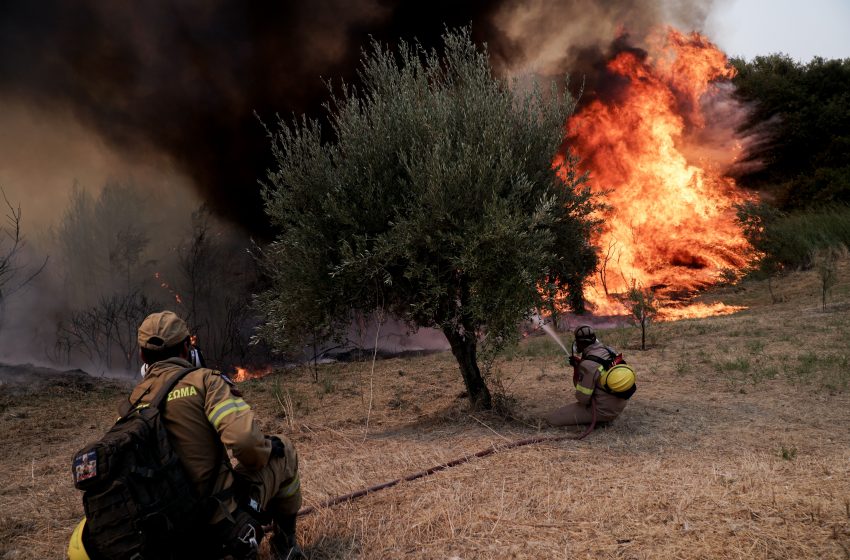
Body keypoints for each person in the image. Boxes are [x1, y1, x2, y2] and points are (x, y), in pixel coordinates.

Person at [70, 310, 305, 560]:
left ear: (141, 355)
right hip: (216, 533)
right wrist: (264, 453)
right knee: (285, 449)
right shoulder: (205, 382)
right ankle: (285, 545)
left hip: (165, 541)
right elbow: (246, 444)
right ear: (187, 348)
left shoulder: (130, 406)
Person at [544, 325, 630, 426]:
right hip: (619, 404)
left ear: (579, 343)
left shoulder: (588, 365)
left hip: (603, 410)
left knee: (553, 419)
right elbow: (599, 369)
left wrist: (579, 369)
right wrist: (580, 365)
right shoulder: (609, 350)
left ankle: (602, 420)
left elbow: (582, 398)